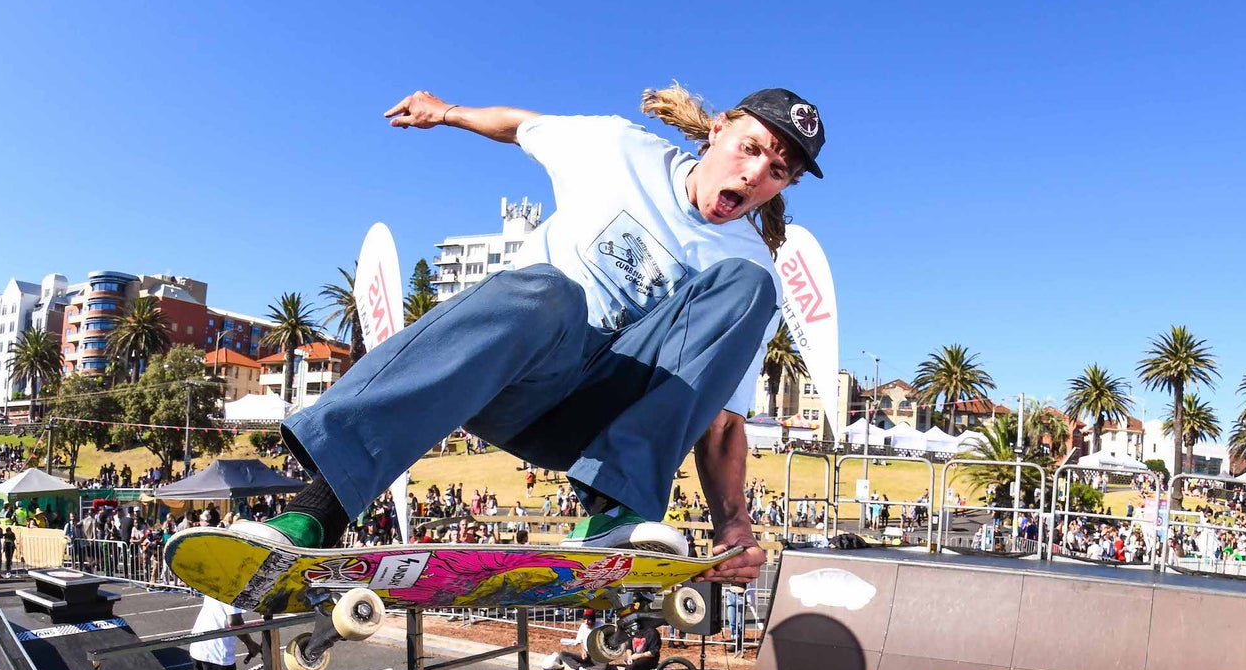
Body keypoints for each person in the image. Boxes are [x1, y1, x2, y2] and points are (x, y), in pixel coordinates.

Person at [230, 81, 826, 590]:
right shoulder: (621, 150)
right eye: (749, 149)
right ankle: (320, 509)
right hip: (512, 378)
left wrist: (734, 525)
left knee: (751, 286)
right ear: (717, 131)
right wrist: (447, 112)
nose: (752, 176)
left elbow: (721, 421)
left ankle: (613, 511)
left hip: (592, 425)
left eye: (776, 172)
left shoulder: (751, 269)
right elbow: (523, 127)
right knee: (551, 293)